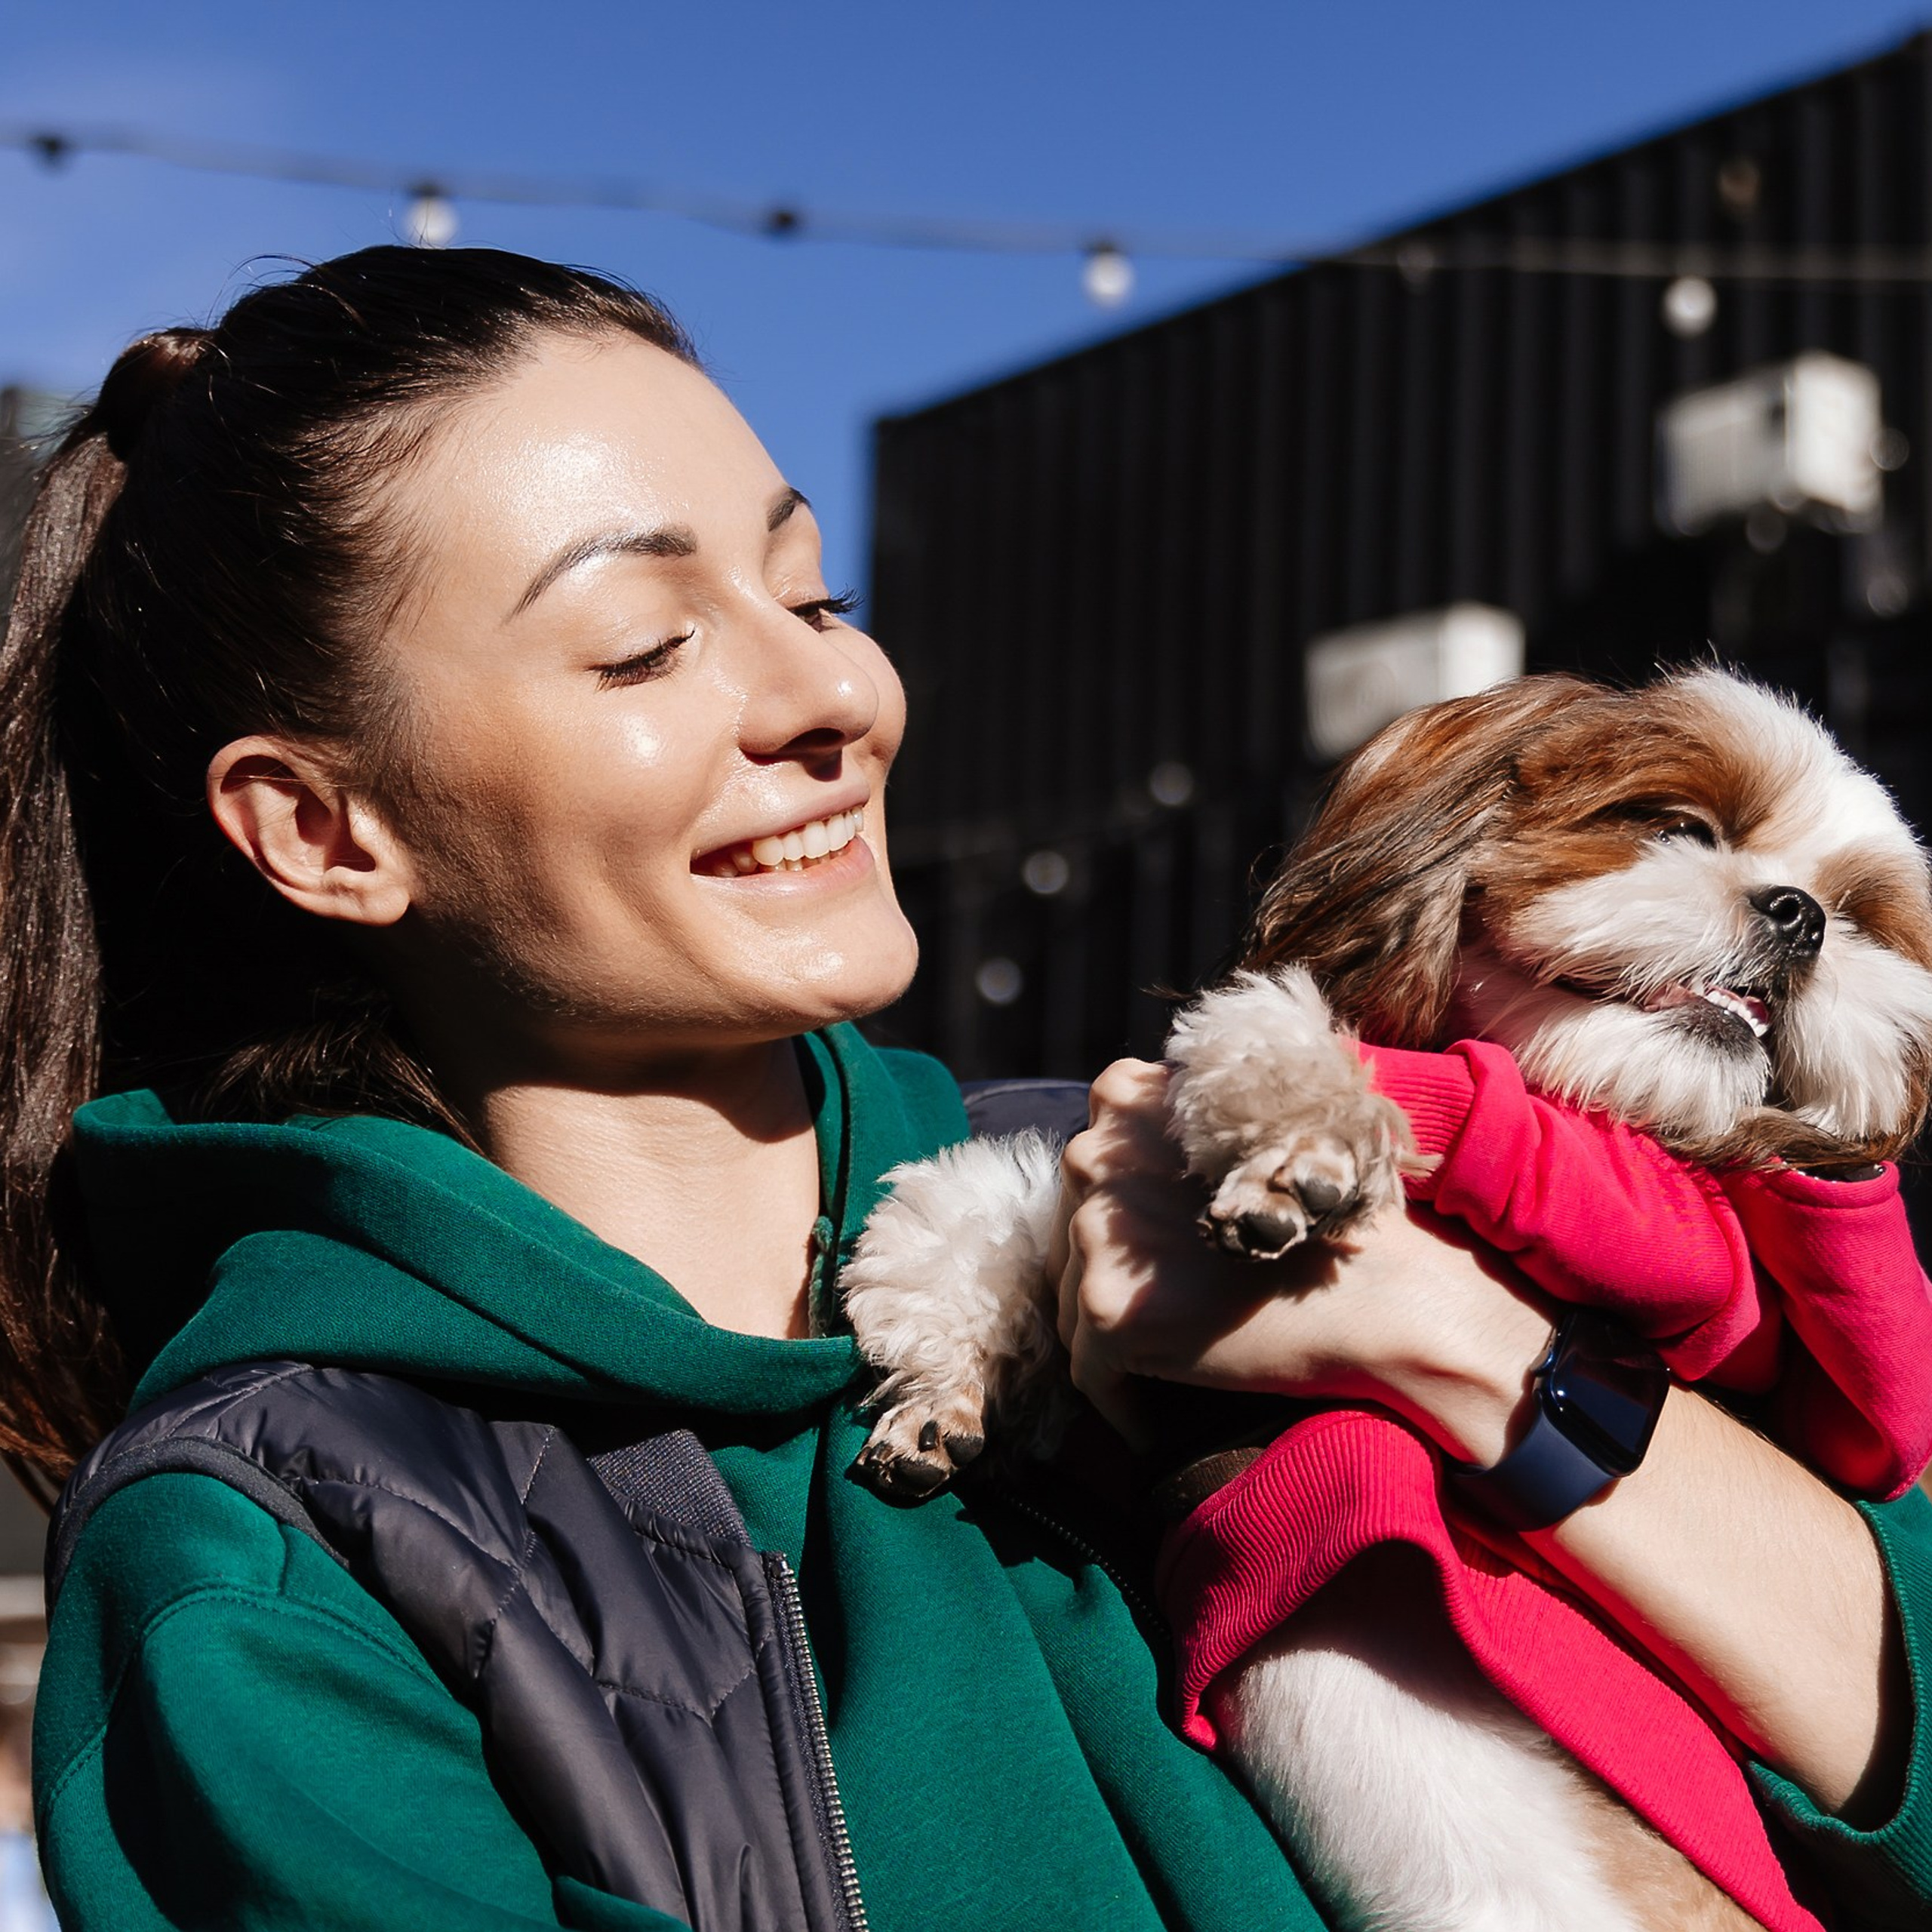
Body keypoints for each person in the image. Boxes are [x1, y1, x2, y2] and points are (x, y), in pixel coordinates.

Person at [2, 245, 1927, 1931]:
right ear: (323, 831)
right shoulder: (273, 1561)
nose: (837, 697)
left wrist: (1470, 1356)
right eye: (647, 641)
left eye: (812, 595)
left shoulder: (1171, 1161)